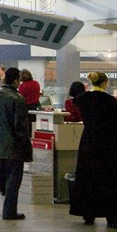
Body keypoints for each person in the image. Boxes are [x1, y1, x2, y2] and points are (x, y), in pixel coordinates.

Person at [69, 72, 117, 228]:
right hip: (107, 143)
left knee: (87, 176)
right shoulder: (111, 102)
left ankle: (88, 214)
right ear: (104, 83)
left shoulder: (82, 99)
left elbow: (74, 101)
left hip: (88, 141)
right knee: (107, 178)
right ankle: (111, 216)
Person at [0, 67, 32, 220]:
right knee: (13, 180)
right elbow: (21, 127)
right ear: (15, 80)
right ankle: (9, 211)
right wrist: (26, 147)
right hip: (13, 147)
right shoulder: (17, 98)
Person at [18, 69, 41, 136]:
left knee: (28, 128)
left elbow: (21, 97)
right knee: (35, 126)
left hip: (26, 108)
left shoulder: (22, 86)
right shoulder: (36, 83)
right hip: (36, 107)